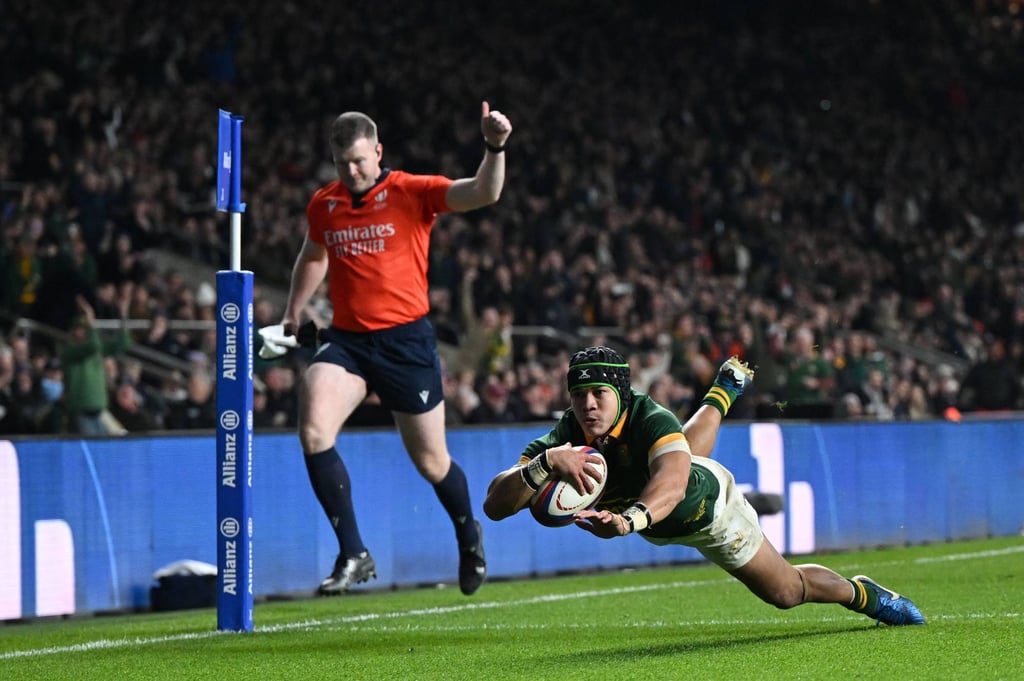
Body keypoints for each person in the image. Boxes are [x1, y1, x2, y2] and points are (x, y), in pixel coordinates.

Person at [483, 346, 925, 627]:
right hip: (655, 511)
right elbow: (495, 505)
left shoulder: (649, 416)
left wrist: (628, 521)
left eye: (598, 392)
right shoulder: (568, 431)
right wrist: (539, 467)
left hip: (705, 510)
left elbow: (672, 487)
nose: (588, 404)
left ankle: (865, 594)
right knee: (685, 450)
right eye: (579, 395)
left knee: (787, 593)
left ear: (620, 391)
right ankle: (723, 392)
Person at [273, 101, 512, 597]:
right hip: (350, 342)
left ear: (378, 151)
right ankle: (354, 552)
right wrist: (295, 310)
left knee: (431, 463)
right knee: (314, 428)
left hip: (407, 344)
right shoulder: (325, 204)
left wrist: (494, 146)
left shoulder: (410, 191)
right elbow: (313, 254)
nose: (353, 171)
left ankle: (469, 533)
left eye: (360, 161)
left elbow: (483, 192)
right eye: (343, 164)